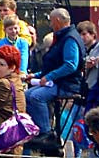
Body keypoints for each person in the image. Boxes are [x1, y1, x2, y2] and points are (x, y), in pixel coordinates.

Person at [26, 9, 82, 139]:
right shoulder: (62, 37)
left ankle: (46, 132)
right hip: (57, 81)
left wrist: (49, 77)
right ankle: (35, 128)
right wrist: (36, 75)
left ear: (57, 21)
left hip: (67, 84)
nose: (50, 25)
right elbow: (54, 65)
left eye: (51, 21)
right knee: (27, 94)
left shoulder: (70, 39)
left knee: (36, 97)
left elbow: (70, 65)